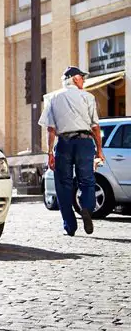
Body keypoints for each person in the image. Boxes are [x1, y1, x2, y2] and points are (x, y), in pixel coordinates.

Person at [40, 66, 105, 236]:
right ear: (74, 79)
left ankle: (70, 226)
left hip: (64, 143)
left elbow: (51, 129)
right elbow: (95, 127)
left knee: (63, 185)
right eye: (82, 78)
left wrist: (50, 153)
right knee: (87, 181)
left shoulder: (52, 98)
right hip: (84, 143)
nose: (83, 80)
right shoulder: (88, 97)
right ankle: (87, 208)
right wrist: (99, 150)